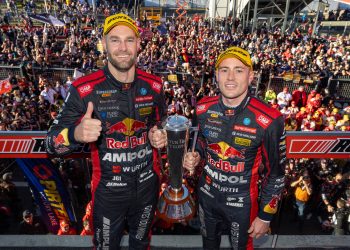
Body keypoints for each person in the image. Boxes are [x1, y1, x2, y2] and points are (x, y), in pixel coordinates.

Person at [46, 13, 166, 249]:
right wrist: (75, 134)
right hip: (109, 193)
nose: (123, 47)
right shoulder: (84, 89)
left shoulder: (154, 85)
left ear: (139, 44)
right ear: (104, 44)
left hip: (147, 189)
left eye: (129, 40)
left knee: (141, 244)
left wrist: (159, 134)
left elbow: (161, 124)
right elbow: (51, 144)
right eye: (115, 40)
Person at [179, 46, 286, 249]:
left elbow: (277, 173)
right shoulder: (202, 107)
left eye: (239, 70)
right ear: (216, 75)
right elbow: (200, 141)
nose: (230, 77)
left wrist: (265, 216)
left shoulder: (270, 119)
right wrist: (194, 155)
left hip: (242, 204)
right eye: (224, 70)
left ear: (251, 75)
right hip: (207, 196)